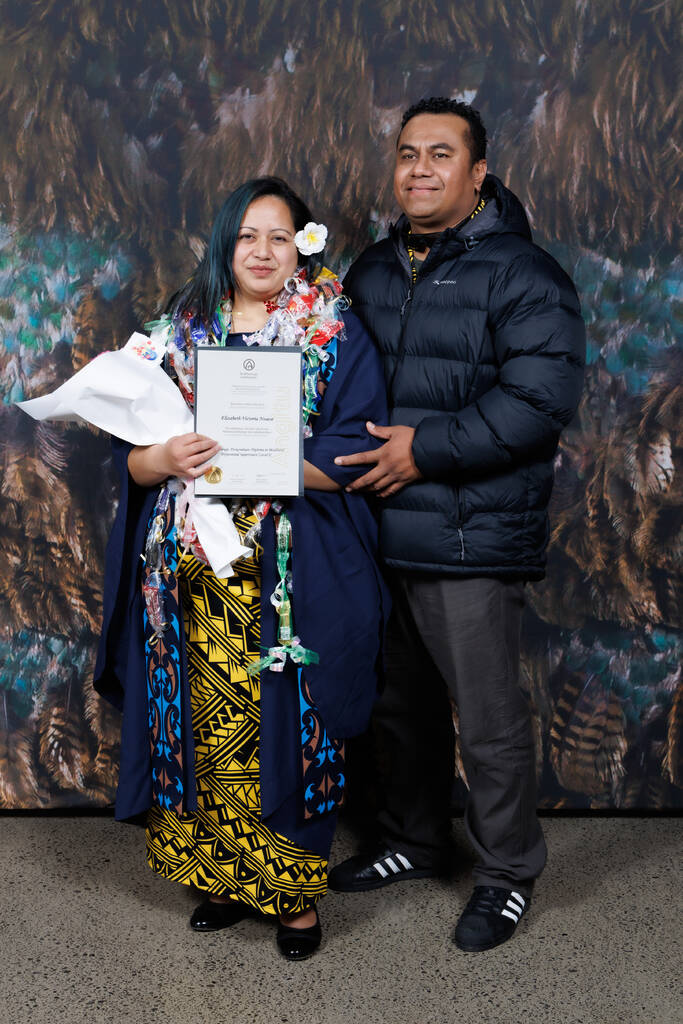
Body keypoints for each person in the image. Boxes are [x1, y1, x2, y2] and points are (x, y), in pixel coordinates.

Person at [93, 176, 389, 961]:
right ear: (224, 243)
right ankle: (222, 880)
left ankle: (292, 900)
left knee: (288, 731)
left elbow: (355, 451)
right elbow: (130, 456)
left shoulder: (334, 333)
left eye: (279, 237)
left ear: (302, 247)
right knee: (201, 730)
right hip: (191, 574)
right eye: (248, 235)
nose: (262, 251)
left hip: (291, 576)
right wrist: (161, 457)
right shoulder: (172, 335)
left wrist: (275, 460)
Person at [329, 97, 586, 952]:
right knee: (397, 709)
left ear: (478, 174)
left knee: (486, 718)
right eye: (407, 153)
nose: (419, 169)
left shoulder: (523, 274)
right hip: (376, 531)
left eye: (440, 154)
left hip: (469, 534)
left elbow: (539, 401)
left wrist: (425, 451)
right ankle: (414, 839)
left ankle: (507, 871)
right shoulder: (369, 270)